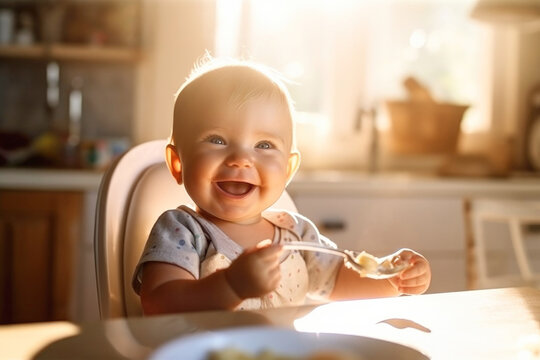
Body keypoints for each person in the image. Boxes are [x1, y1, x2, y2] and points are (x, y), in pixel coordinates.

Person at [132, 58, 431, 315]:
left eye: (264, 144)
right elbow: (160, 304)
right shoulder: (182, 231)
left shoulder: (295, 234)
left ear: (287, 170)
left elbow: (339, 279)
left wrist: (389, 277)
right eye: (217, 140)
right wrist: (229, 285)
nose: (240, 159)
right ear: (177, 164)